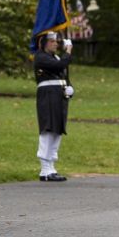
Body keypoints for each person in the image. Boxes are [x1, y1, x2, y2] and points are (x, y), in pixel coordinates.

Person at [34, 31, 74, 182]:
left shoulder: (55, 57)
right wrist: (68, 51)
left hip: (58, 96)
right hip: (48, 96)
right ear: (43, 43)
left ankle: (51, 166)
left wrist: (69, 88)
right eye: (51, 41)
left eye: (56, 41)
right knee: (48, 128)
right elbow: (60, 66)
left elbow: (62, 73)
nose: (55, 44)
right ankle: (44, 169)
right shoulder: (41, 57)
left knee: (57, 129)